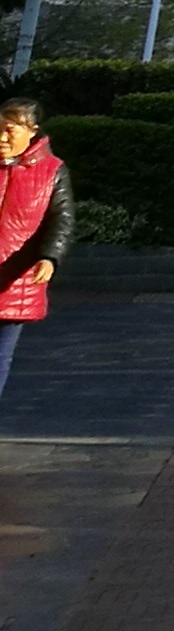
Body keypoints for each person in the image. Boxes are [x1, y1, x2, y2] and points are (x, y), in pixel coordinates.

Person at [0, 92, 72, 413]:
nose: (1, 137)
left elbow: (62, 219)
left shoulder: (52, 170)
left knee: (1, 357)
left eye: (9, 131)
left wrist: (49, 256)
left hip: (14, 281)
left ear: (32, 131)